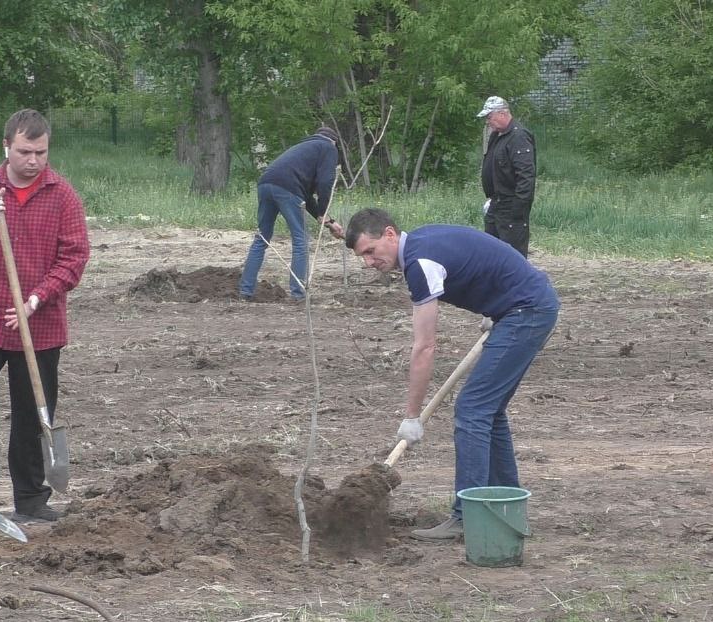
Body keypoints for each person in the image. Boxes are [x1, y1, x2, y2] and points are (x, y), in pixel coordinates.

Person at [343, 208, 559, 541]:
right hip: (521, 304)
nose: (369, 263)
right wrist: (498, 301)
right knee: (488, 410)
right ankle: (505, 503)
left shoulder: (419, 265)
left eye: (370, 252)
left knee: (472, 408)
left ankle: (465, 516)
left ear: (389, 234)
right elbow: (479, 255)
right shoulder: (422, 243)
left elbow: (424, 347)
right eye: (363, 258)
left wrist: (412, 416)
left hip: (526, 310)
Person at [0, 108, 90, 524]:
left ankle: (30, 498)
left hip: (39, 323)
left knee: (32, 408)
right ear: (7, 146)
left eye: (41, 152)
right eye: (25, 151)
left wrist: (37, 299)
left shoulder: (63, 195)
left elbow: (75, 257)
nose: (34, 160)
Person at [238, 127, 343, 301]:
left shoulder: (304, 148)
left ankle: (245, 292)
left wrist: (328, 221)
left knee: (262, 239)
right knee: (301, 240)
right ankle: (298, 294)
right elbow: (326, 182)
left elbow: (305, 196)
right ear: (334, 142)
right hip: (287, 189)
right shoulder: (329, 147)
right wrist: (323, 211)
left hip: (265, 184)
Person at [478, 95, 536, 257]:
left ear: (502, 114)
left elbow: (526, 176)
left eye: (490, 117)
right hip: (496, 204)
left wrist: (518, 209)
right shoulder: (497, 135)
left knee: (513, 257)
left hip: (511, 205)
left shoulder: (519, 136)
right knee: (491, 253)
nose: (488, 121)